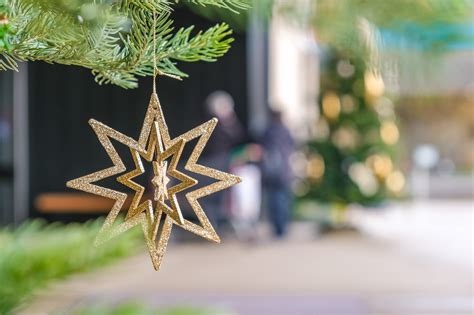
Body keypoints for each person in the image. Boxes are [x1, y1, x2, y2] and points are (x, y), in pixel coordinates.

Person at [201, 91, 244, 228]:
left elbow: (239, 138)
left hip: (223, 164)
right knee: (211, 197)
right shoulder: (214, 126)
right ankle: (213, 225)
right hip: (214, 164)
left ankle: (219, 223)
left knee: (220, 198)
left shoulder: (228, 125)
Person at [261, 110, 295, 238]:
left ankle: (278, 228)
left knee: (275, 200)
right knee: (283, 200)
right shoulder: (285, 131)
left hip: (273, 172)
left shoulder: (268, 131)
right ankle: (282, 227)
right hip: (285, 171)